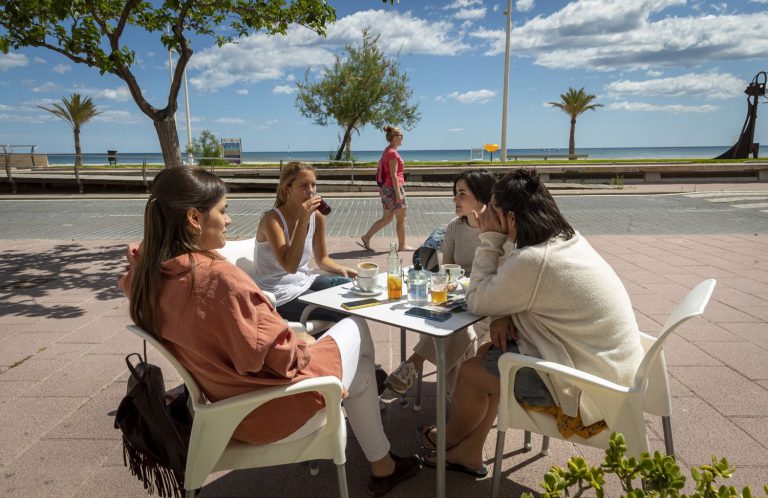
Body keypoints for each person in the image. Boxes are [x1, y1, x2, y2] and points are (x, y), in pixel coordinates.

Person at [118, 167, 420, 496]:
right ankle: (370, 437)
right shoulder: (218, 280)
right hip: (265, 410)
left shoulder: (146, 280)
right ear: (193, 218)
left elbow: (138, 258)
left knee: (360, 371)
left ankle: (383, 466)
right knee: (355, 323)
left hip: (223, 399)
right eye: (223, 211)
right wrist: (301, 340)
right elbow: (283, 360)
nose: (229, 221)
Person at [418, 169, 645, 476]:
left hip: (589, 393)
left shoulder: (534, 259)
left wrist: (488, 239)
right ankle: (469, 451)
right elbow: (516, 281)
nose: (488, 218)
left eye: (494, 213)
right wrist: (505, 314)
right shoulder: (565, 239)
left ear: (510, 218)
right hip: (611, 367)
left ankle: (446, 441)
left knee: (472, 373)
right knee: (491, 353)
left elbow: (477, 300)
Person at [384, 169, 497, 396]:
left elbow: (500, 276)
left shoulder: (497, 229)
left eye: (462, 194)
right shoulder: (455, 226)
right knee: (438, 319)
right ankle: (455, 399)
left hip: (488, 304)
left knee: (462, 331)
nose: (454, 199)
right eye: (455, 193)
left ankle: (414, 365)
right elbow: (448, 270)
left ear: (482, 197)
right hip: (459, 298)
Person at [256, 162, 356, 324]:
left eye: (313, 185)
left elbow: (322, 259)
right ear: (287, 189)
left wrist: (342, 269)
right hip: (279, 293)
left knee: (352, 290)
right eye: (303, 185)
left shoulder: (316, 217)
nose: (310, 191)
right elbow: (290, 266)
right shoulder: (272, 220)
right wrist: (302, 221)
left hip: (304, 280)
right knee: (341, 310)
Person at [359, 125, 415, 252]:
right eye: (401, 136)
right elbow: (393, 175)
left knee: (387, 218)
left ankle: (366, 237)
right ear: (394, 138)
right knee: (401, 219)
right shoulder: (392, 153)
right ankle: (402, 245)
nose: (402, 138)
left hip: (386, 188)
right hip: (393, 189)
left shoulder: (387, 151)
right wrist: (398, 194)